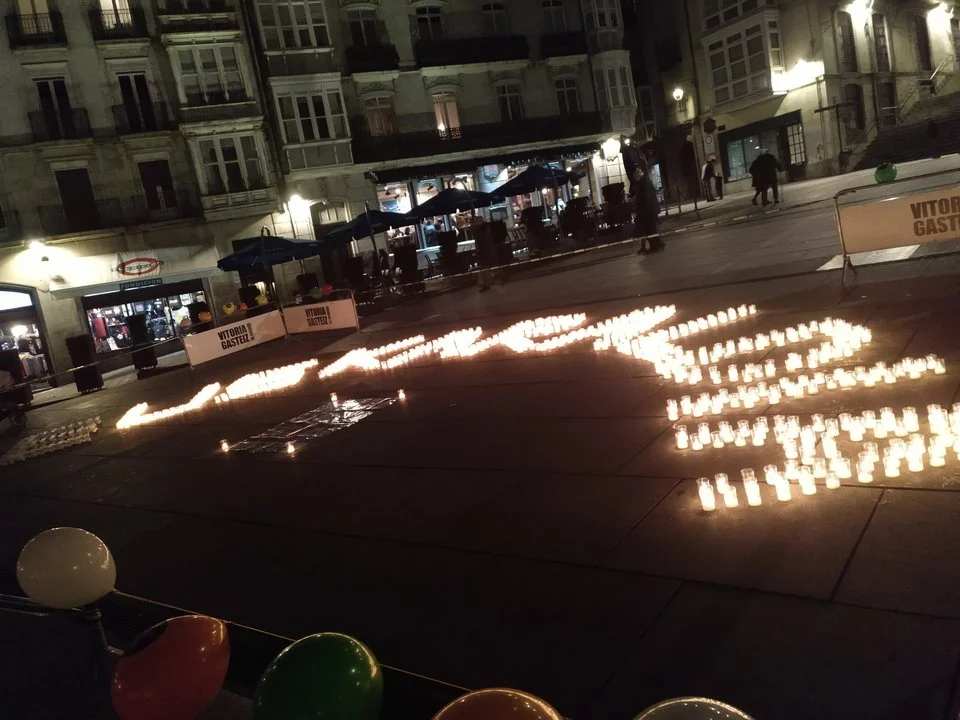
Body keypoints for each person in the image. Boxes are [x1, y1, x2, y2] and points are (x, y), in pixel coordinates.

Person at [635, 170, 664, 254]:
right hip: (649, 210)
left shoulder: (644, 183)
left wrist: (644, 210)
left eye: (635, 177)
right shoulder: (645, 182)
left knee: (650, 229)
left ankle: (654, 247)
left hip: (648, 211)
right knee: (650, 229)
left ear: (638, 176)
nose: (635, 179)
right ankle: (657, 245)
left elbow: (647, 197)